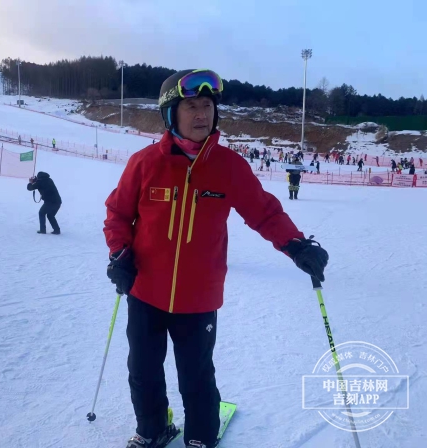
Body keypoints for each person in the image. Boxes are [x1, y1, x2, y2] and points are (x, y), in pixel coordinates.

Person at [103, 69, 329, 448]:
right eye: (191, 106)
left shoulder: (228, 166)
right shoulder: (145, 163)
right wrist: (120, 254)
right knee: (142, 371)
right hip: (144, 290)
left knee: (196, 377)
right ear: (171, 113)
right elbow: (118, 213)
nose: (201, 114)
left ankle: (200, 439)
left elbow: (265, 212)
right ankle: (153, 429)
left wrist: (296, 245)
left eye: (207, 106)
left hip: (198, 298)